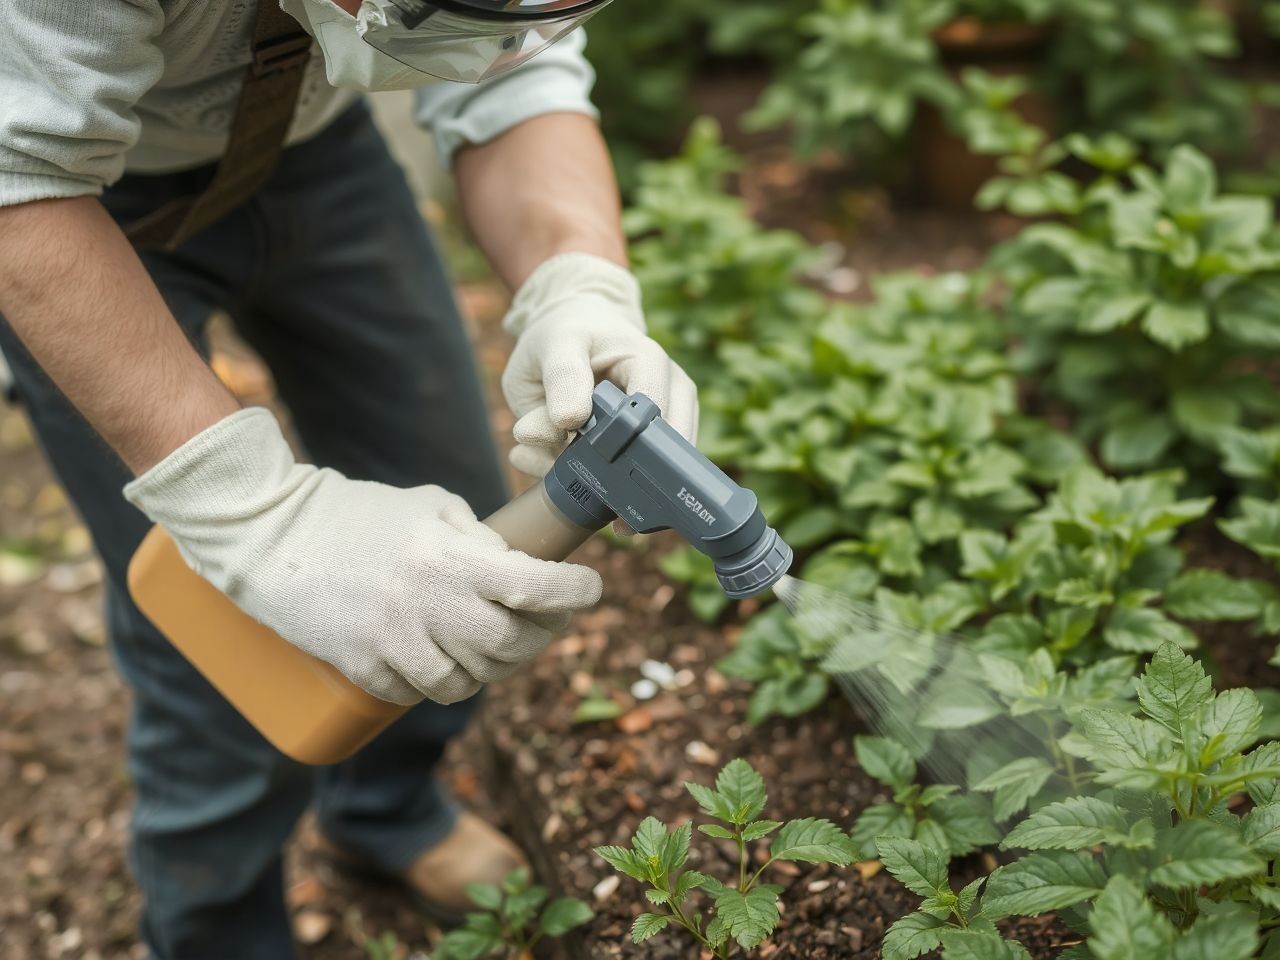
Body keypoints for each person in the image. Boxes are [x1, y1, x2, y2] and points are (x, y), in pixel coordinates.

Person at [0, 1, 699, 957]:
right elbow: (18, 175)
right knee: (217, 637)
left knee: (448, 497)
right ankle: (219, 930)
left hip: (319, 152)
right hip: (70, 206)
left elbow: (519, 68)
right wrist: (256, 520)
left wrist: (578, 280)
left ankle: (386, 811)